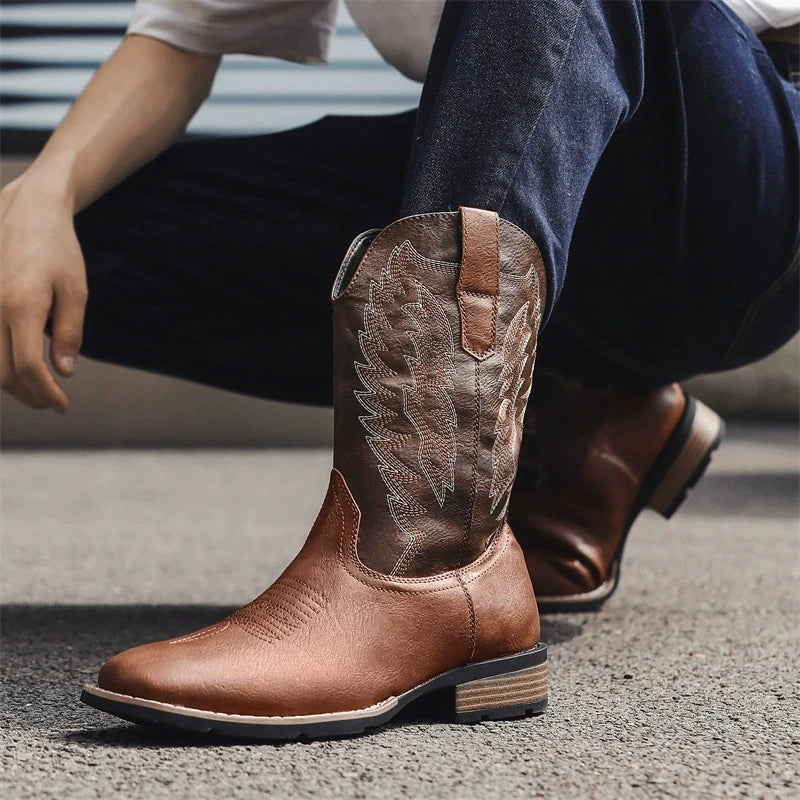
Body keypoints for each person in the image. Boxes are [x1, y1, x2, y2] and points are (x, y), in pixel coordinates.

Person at [1, 1, 797, 739]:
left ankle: (424, 560)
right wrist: (47, 191)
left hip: (739, 190)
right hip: (531, 178)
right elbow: (182, 36)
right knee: (68, 243)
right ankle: (581, 406)